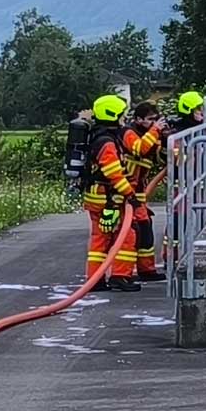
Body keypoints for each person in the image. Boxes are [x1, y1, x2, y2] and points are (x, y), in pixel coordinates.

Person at [78, 93, 146, 290]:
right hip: (108, 199)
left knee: (101, 238)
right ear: (112, 115)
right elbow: (113, 173)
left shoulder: (97, 136)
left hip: (97, 196)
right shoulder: (107, 142)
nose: (124, 119)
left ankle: (95, 279)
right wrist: (130, 195)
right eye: (121, 115)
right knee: (126, 234)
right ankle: (120, 276)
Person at [121, 100, 166, 282]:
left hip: (138, 193)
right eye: (150, 120)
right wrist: (155, 130)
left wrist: (165, 139)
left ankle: (146, 270)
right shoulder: (128, 133)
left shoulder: (150, 133)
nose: (154, 122)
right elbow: (139, 149)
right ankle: (121, 274)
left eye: (156, 119)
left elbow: (159, 157)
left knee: (146, 232)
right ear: (138, 119)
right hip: (124, 191)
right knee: (131, 233)